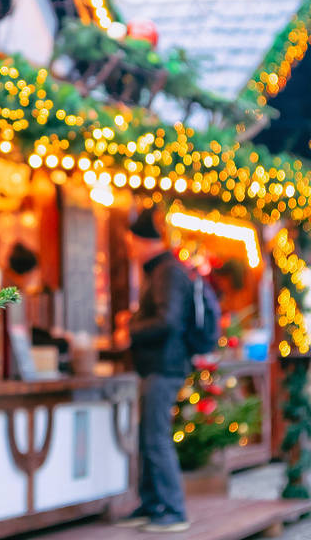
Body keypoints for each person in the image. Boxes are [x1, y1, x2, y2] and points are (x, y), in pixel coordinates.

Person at [116, 206, 191, 533]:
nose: (130, 249)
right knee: (150, 436)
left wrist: (130, 330)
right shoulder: (160, 272)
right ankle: (152, 503)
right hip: (157, 366)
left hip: (164, 366)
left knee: (156, 437)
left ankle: (173, 509)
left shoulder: (167, 272)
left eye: (133, 242)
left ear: (146, 242)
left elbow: (168, 321)